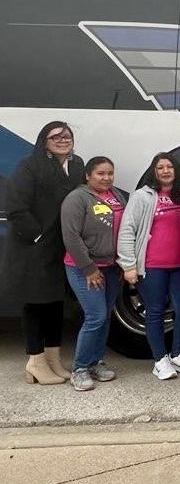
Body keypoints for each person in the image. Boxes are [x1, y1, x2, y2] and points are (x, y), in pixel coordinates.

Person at [3, 121, 84, 385]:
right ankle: (35, 360)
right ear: (44, 141)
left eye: (67, 135)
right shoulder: (30, 165)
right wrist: (37, 236)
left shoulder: (78, 164)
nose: (63, 139)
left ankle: (52, 359)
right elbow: (15, 207)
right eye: (56, 136)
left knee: (55, 303)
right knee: (36, 303)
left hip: (62, 247)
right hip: (34, 248)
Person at [117, 153, 180, 380]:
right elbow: (127, 229)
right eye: (160, 167)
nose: (165, 171)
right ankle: (160, 360)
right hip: (152, 266)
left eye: (169, 166)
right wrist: (128, 265)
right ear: (154, 171)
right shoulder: (142, 196)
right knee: (155, 311)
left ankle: (178, 354)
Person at [60, 156, 127, 391]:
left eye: (110, 173)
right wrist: (89, 269)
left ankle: (95, 362)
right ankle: (79, 369)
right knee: (95, 316)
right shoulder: (77, 198)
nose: (106, 177)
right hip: (84, 268)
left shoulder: (117, 196)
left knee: (106, 316)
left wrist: (122, 263)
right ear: (88, 175)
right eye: (100, 173)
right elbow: (71, 236)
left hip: (111, 268)